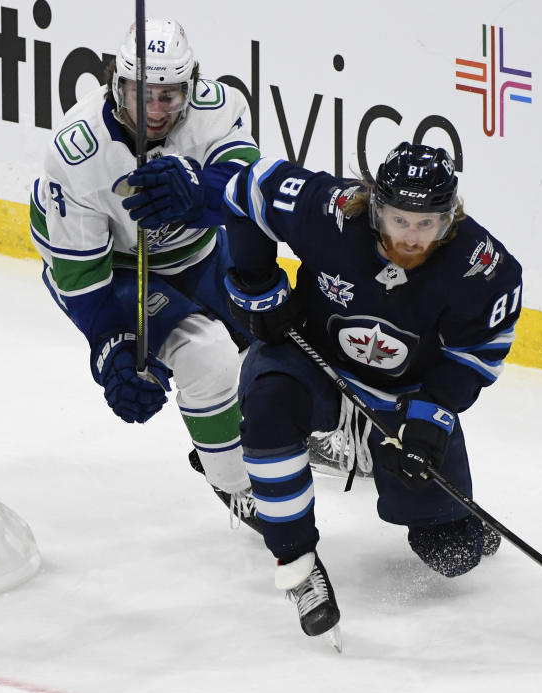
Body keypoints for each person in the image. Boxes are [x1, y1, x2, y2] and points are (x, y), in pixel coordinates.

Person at [218, 142, 523, 644]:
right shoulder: (331, 213)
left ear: (450, 218)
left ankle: (457, 512)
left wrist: (432, 416)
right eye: (400, 220)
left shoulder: (480, 265)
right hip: (311, 360)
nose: (411, 237)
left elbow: (481, 349)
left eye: (427, 224)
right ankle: (296, 561)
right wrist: (257, 285)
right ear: (376, 205)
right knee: (268, 402)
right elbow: (244, 189)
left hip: (402, 397)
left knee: (452, 554)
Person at [28, 18, 262, 530]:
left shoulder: (219, 107)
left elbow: (248, 185)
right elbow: (81, 280)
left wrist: (199, 187)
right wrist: (111, 350)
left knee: (272, 339)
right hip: (116, 269)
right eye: (142, 95)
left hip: (195, 250)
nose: (155, 111)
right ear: (117, 84)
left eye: (170, 96)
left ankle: (281, 430)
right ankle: (236, 484)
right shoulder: (78, 152)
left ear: (191, 85)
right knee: (208, 356)